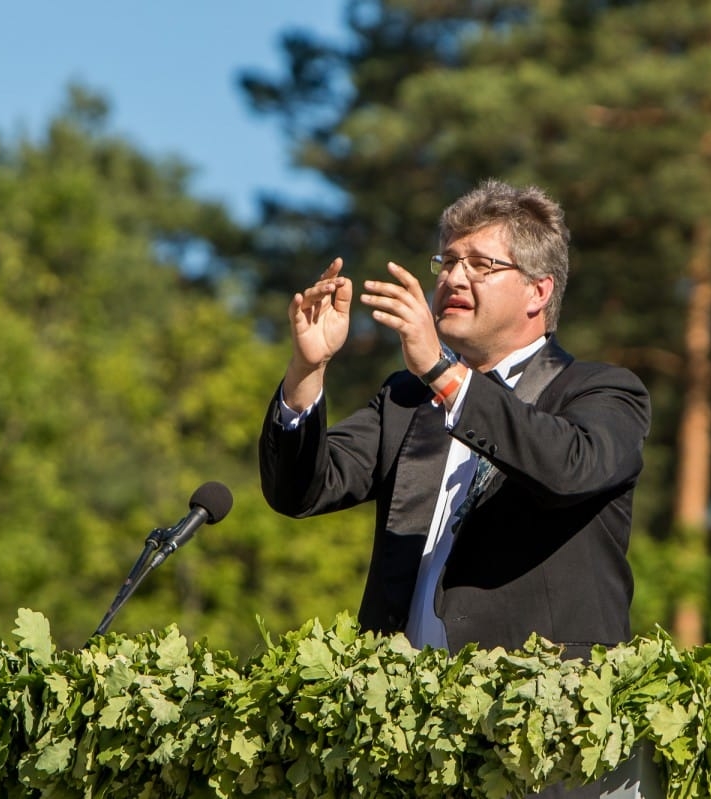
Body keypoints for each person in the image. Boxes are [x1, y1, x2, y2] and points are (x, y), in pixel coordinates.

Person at [259, 177, 650, 668]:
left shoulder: (604, 391)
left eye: (481, 265)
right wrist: (306, 371)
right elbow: (299, 492)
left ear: (538, 291)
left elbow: (570, 468)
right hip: (406, 710)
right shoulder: (405, 400)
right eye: (447, 262)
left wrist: (444, 375)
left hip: (544, 707)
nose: (453, 278)